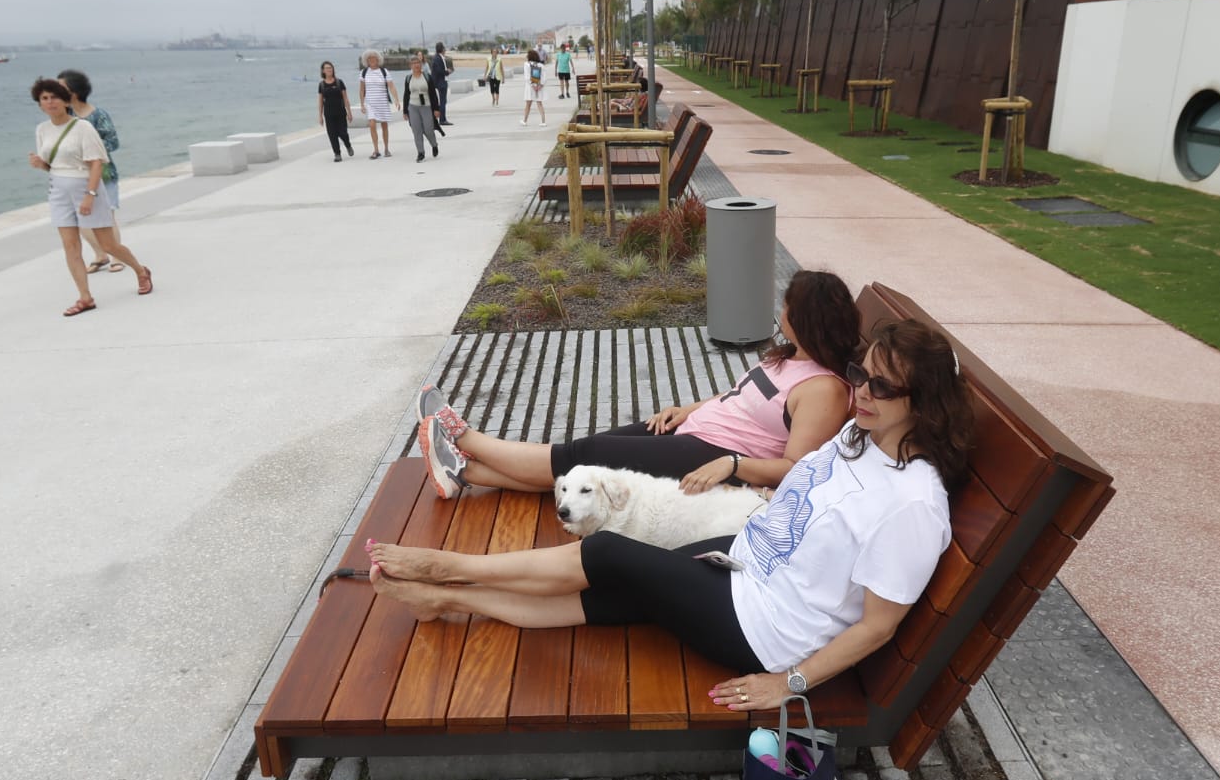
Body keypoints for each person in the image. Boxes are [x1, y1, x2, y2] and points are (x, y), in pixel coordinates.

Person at [368, 318, 973, 711]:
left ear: (924, 406)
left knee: (607, 552)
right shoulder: (857, 439)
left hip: (765, 631)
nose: (861, 392)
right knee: (606, 596)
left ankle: (449, 568)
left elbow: (877, 626)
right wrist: (742, 478)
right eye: (860, 374)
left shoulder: (912, 506)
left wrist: (786, 685)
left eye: (882, 387)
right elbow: (802, 490)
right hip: (739, 567)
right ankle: (448, 601)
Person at [416, 269, 858, 500]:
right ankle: (464, 471)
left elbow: (798, 466)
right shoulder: (791, 356)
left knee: (581, 459)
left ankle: (461, 434)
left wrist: (733, 465)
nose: (780, 312)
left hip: (711, 457)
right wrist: (688, 408)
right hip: (695, 430)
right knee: (585, 455)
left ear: (806, 320)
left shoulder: (825, 390)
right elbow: (743, 399)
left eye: (787, 306)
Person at [27, 77, 151, 315]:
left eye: (54, 97)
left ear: (65, 100)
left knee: (108, 244)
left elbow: (96, 164)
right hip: (58, 190)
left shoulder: (82, 127)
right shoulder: (42, 130)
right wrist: (40, 164)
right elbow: (53, 166)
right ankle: (85, 297)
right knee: (70, 246)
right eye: (44, 98)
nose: (50, 102)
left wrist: (90, 195)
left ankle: (140, 270)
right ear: (39, 104)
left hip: (86, 187)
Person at [57, 69, 123, 274]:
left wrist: (89, 148)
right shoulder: (64, 118)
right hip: (75, 175)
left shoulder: (99, 115)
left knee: (107, 216)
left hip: (103, 173)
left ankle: (116, 256)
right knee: (82, 218)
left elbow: (113, 142)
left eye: (61, 88)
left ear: (74, 92)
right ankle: (100, 254)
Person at [357, 49, 398, 158]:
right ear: (367, 60)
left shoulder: (384, 72)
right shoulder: (363, 73)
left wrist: (396, 99)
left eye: (373, 58)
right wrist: (362, 104)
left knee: (384, 125)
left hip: (382, 102)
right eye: (369, 58)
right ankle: (376, 150)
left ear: (378, 59)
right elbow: (361, 90)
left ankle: (386, 149)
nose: (372, 60)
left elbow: (391, 86)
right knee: (372, 125)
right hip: (370, 102)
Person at [403, 51, 441, 162]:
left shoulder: (427, 77)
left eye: (418, 63)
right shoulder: (408, 78)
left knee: (428, 129)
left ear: (421, 64)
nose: (416, 65)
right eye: (413, 63)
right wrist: (405, 111)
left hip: (426, 106)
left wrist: (436, 109)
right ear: (411, 66)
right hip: (413, 107)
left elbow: (433, 94)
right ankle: (420, 152)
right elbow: (406, 95)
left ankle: (434, 144)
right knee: (416, 130)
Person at [317, 61, 355, 162]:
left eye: (331, 68)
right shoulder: (321, 85)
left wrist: (349, 113)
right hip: (329, 115)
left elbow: (345, 99)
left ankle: (348, 145)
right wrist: (320, 116)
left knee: (343, 133)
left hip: (341, 113)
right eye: (327, 68)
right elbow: (320, 101)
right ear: (323, 70)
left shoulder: (339, 82)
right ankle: (337, 154)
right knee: (332, 135)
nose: (329, 69)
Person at [427, 43, 455, 126]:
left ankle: (442, 118)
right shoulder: (437, 58)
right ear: (442, 49)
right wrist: (447, 72)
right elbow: (439, 71)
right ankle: (442, 120)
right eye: (444, 48)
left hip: (441, 81)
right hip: (440, 83)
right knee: (442, 101)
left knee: (443, 101)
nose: (445, 50)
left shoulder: (438, 57)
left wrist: (447, 72)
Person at [520, 48, 547, 126]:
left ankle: (525, 121)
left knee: (528, 104)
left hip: (530, 88)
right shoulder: (541, 65)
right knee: (539, 104)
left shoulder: (527, 64)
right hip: (539, 87)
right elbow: (544, 77)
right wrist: (540, 85)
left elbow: (527, 77)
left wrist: (532, 85)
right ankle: (543, 121)